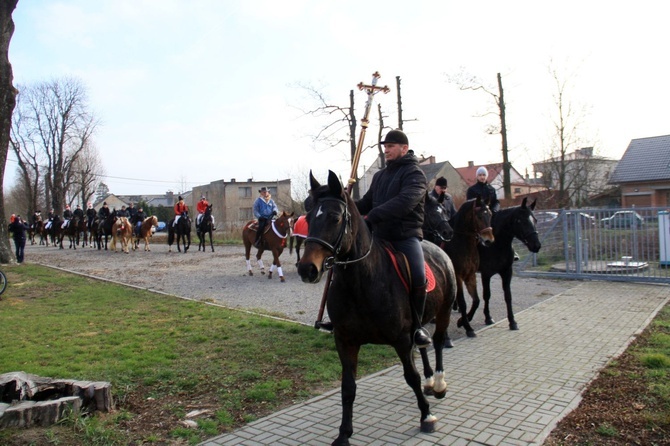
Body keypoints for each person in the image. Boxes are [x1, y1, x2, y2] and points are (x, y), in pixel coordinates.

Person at [354, 129, 432, 347]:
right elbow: (366, 203)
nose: (386, 150)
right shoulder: (379, 176)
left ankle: (417, 327)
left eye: (390, 146)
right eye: (385, 146)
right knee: (349, 266)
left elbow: (405, 202)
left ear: (403, 148)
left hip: (405, 236)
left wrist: (373, 216)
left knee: (418, 275)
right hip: (378, 236)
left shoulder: (415, 174)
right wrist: (343, 200)